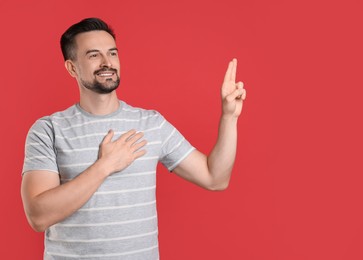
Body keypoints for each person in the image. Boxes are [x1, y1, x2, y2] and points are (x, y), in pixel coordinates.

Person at [21, 17, 246, 259]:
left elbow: (215, 178)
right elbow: (38, 216)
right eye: (94, 55)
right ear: (72, 67)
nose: (107, 62)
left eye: (113, 53)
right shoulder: (48, 130)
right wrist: (104, 166)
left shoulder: (151, 124)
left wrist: (229, 118)